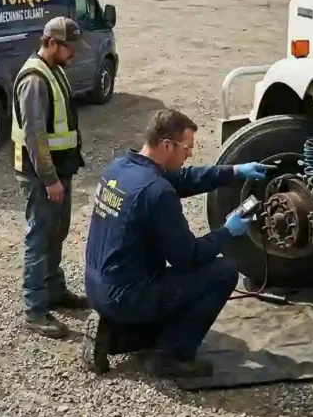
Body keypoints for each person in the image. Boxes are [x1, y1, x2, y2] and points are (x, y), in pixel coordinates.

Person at [80, 109, 269, 378]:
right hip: (127, 295)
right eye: (187, 148)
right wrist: (228, 231)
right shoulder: (157, 192)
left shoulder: (120, 168)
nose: (189, 154)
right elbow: (188, 257)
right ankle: (170, 356)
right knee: (223, 272)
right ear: (167, 145)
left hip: (98, 286)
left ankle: (110, 335)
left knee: (168, 303)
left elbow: (185, 178)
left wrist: (235, 171)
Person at [11, 16, 90, 339]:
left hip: (61, 170)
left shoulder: (55, 71)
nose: (74, 53)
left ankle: (55, 291)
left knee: (56, 233)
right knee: (40, 238)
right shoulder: (34, 79)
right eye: (69, 47)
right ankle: (35, 309)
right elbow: (35, 137)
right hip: (42, 176)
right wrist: (50, 179)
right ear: (52, 43)